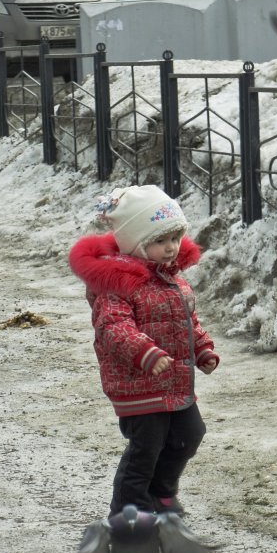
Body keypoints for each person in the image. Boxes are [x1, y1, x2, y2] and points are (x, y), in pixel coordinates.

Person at [68, 184, 218, 517]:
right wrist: (145, 352)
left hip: (174, 380)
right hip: (137, 384)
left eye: (175, 239)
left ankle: (162, 494)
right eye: (160, 241)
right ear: (137, 243)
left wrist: (202, 346)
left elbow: (185, 320)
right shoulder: (117, 283)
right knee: (146, 449)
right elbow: (113, 328)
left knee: (191, 434)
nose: (171, 248)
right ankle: (128, 510)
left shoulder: (173, 279)